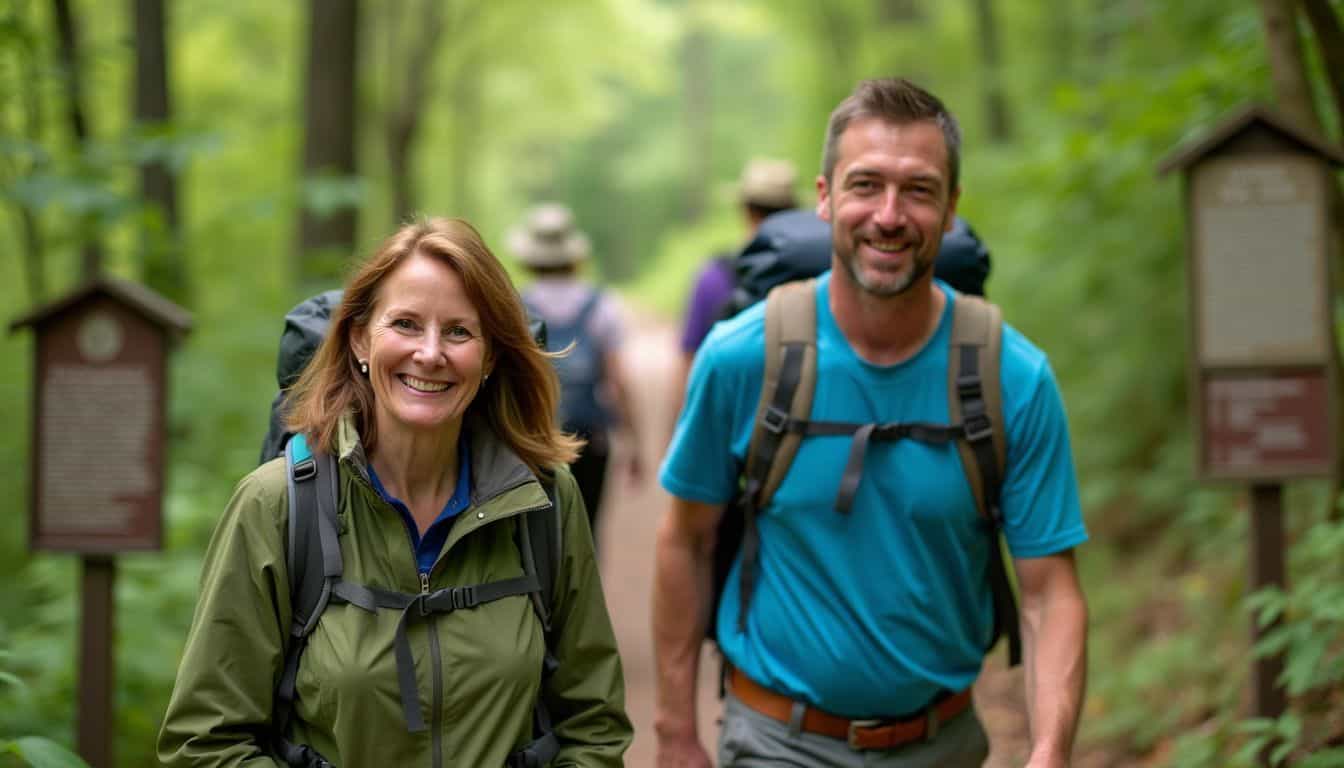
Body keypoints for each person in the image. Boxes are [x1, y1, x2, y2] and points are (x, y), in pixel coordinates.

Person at [653, 77, 1089, 768]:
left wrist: (1048, 749)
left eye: (918, 190)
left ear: (950, 210)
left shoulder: (1012, 377)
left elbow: (1049, 591)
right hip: (774, 742)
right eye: (865, 185)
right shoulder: (743, 358)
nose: (889, 215)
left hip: (943, 744)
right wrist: (675, 731)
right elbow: (685, 542)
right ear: (824, 198)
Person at [158, 218, 632, 766]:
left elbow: (594, 727)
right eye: (405, 324)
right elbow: (204, 742)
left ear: (491, 357)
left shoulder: (543, 500)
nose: (430, 354)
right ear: (360, 338)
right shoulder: (277, 506)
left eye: (459, 331)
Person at [512, 202, 642, 540]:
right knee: (585, 530)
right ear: (575, 255)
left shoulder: (515, 306)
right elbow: (617, 380)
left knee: (536, 537)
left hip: (532, 438)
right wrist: (633, 439)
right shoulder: (600, 305)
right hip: (589, 439)